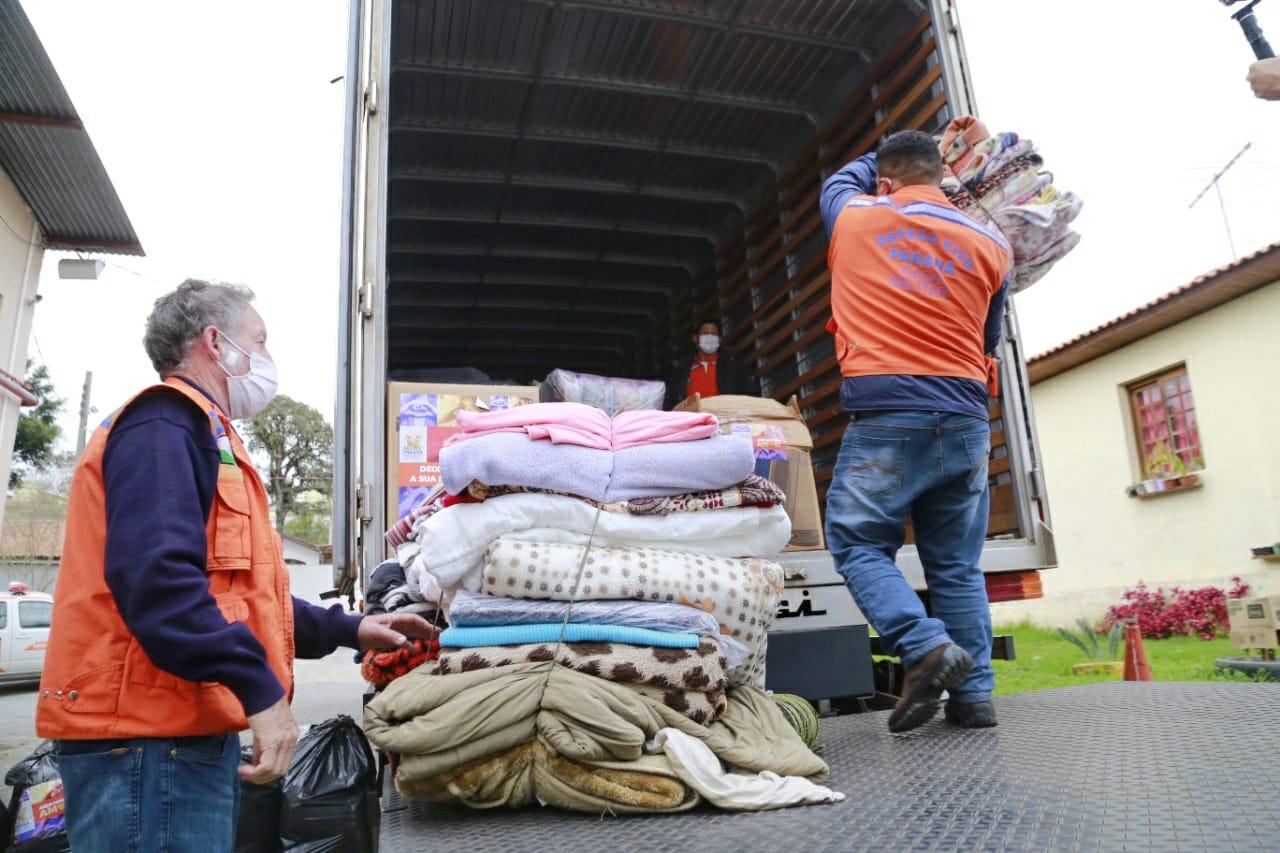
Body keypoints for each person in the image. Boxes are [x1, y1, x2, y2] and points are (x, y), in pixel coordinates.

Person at [36, 279, 435, 852]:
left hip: (177, 736)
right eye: (261, 341)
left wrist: (352, 628)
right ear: (216, 342)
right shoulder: (163, 425)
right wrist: (261, 692)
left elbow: (245, 597)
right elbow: (161, 588)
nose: (268, 359)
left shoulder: (208, 437)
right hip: (144, 745)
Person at [819, 130, 1012, 733]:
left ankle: (924, 644)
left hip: (888, 416)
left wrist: (908, 147)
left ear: (886, 179)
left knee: (857, 544)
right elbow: (989, 340)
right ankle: (974, 696)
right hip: (965, 419)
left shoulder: (856, 215)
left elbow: (844, 179)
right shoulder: (991, 240)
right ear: (942, 175)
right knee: (956, 566)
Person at [664, 318, 758, 409]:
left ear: (719, 339)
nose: (710, 337)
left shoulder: (734, 367)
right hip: (693, 422)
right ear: (695, 338)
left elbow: (751, 396)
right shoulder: (682, 371)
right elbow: (671, 403)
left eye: (714, 333)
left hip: (725, 420)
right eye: (705, 333)